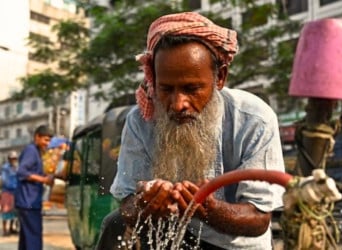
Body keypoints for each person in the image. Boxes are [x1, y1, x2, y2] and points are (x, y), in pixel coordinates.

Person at [97, 12, 285, 249]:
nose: (178, 104)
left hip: (233, 245)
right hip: (172, 235)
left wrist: (207, 209)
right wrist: (146, 204)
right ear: (153, 81)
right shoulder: (140, 121)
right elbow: (127, 206)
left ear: (220, 78)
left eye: (192, 88)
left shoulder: (254, 119)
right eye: (166, 89)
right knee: (113, 223)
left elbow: (259, 218)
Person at [15, 125, 54, 250]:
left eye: (49, 141)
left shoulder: (36, 152)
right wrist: (44, 179)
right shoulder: (31, 151)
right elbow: (22, 172)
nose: (47, 144)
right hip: (29, 202)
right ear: (37, 137)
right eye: (45, 140)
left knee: (26, 238)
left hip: (28, 202)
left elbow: (34, 172)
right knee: (33, 238)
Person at [0, 151, 19, 236]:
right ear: (9, 159)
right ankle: (4, 230)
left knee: (14, 211)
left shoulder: (17, 168)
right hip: (7, 192)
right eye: (12, 159)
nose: (14, 160)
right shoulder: (5, 168)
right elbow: (3, 180)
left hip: (15, 191)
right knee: (6, 210)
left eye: (15, 158)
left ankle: (11, 228)